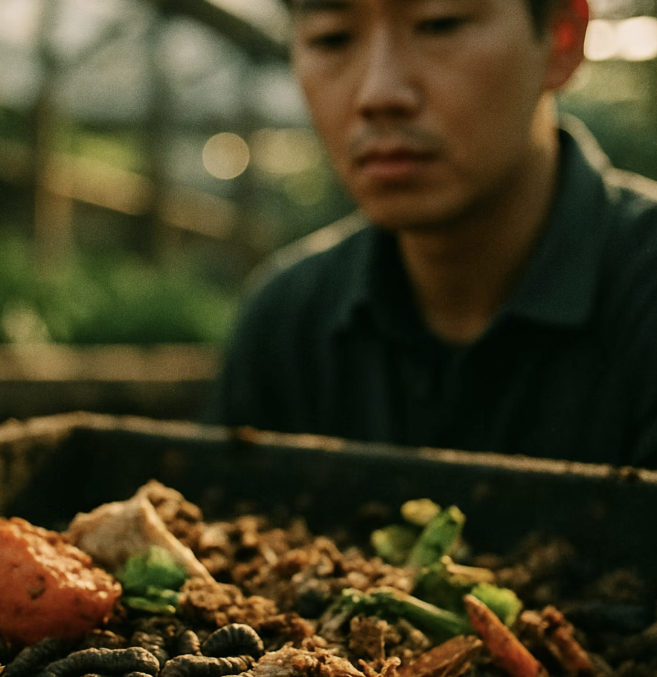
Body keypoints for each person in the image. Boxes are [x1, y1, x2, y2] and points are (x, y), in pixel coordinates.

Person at [205, 0, 657, 469]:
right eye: (332, 38)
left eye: (440, 24)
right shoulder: (288, 325)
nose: (378, 94)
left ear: (562, 39)